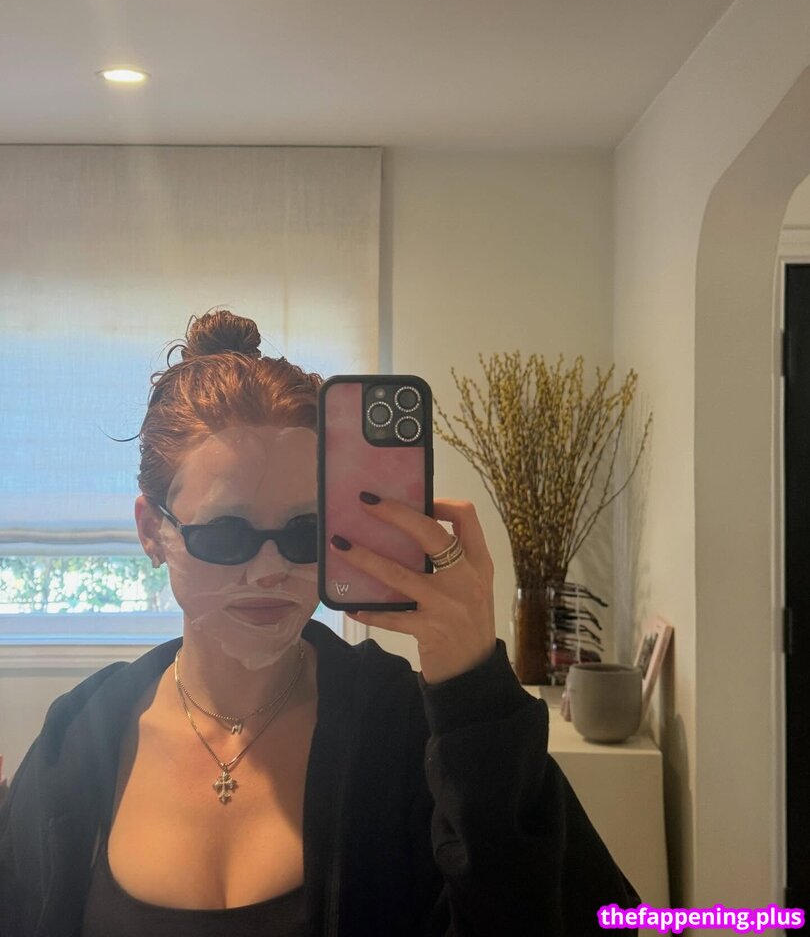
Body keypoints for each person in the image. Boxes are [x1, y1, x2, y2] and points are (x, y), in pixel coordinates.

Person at [0, 309, 642, 936]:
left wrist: (476, 691)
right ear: (151, 531)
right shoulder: (80, 736)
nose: (270, 569)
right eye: (226, 534)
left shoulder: (409, 727)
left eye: (305, 532)